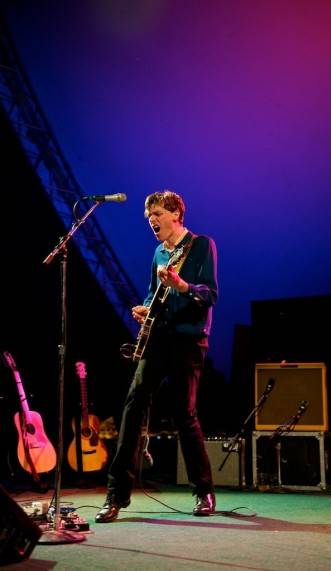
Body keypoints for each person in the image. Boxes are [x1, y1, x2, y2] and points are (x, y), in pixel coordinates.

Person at [95, 190, 218, 522]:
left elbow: (210, 295)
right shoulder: (157, 253)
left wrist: (182, 286)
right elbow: (152, 293)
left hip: (189, 341)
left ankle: (204, 491)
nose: (153, 220)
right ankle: (115, 494)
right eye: (150, 216)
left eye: (159, 214)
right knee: (133, 408)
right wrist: (144, 307)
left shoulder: (201, 245)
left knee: (184, 413)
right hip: (158, 337)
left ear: (177, 213)